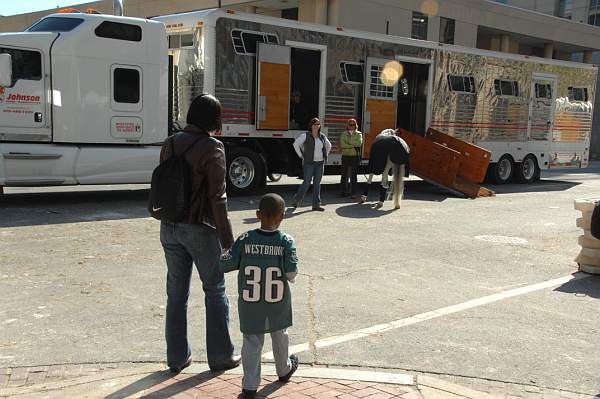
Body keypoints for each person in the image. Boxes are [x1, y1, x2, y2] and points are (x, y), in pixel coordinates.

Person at [159, 94, 241, 374]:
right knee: (215, 289)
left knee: (176, 294)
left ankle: (177, 358)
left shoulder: (170, 143)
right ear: (214, 119)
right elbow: (218, 199)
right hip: (199, 229)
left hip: (169, 226)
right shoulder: (212, 148)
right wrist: (228, 242)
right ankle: (220, 356)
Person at [220, 193, 299, 399]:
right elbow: (291, 274)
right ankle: (284, 369)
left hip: (251, 303)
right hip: (277, 302)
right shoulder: (286, 242)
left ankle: (250, 386)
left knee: (252, 342)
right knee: (279, 335)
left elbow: (225, 263)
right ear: (282, 217)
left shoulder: (245, 239)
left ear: (257, 214)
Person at [359, 128, 410, 210]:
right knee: (387, 174)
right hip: (400, 151)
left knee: (381, 173)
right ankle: (391, 202)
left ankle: (365, 195)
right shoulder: (397, 140)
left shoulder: (379, 139)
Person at [291, 117, 332, 211]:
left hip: (320, 163)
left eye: (318, 124)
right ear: (311, 126)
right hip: (309, 163)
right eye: (314, 124)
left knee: (317, 184)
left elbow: (329, 146)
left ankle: (316, 205)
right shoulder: (305, 135)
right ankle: (296, 200)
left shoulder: (322, 136)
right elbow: (295, 144)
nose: (316, 126)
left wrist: (325, 155)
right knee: (306, 183)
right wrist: (301, 155)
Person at [339, 118, 363, 198]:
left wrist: (348, 143)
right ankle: (343, 192)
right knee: (344, 175)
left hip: (354, 157)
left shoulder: (359, 134)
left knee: (353, 176)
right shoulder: (343, 134)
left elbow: (359, 143)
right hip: (345, 156)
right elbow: (342, 145)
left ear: (355, 125)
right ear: (347, 125)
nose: (352, 126)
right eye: (350, 124)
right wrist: (353, 145)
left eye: (353, 124)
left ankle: (353, 193)